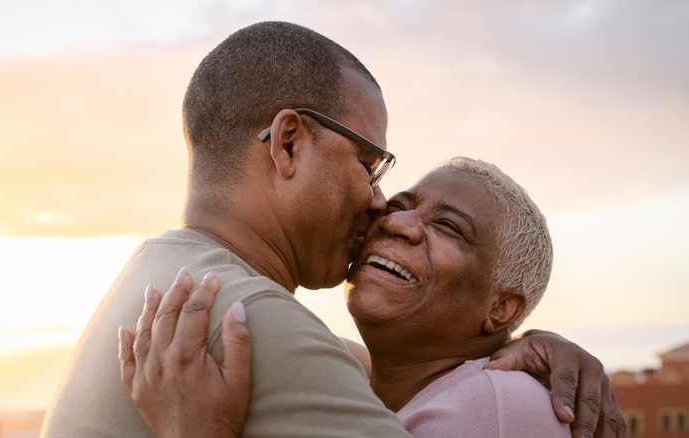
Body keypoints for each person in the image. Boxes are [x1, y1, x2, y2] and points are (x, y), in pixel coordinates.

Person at [41, 21, 624, 437]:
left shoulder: (160, 273)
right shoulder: (254, 327)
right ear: (289, 143)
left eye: (447, 225)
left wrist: (526, 346)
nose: (382, 208)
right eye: (370, 166)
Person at [117, 158, 611, 437]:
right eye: (398, 206)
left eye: (447, 227)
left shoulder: (497, 404)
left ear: (501, 309)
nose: (395, 223)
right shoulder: (358, 376)